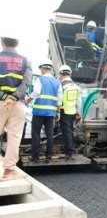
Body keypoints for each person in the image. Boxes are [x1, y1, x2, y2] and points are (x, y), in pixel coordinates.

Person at [0, 34, 32, 181]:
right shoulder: (26, 61)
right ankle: (9, 171)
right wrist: (13, 97)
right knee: (14, 137)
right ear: (17, 43)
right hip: (17, 104)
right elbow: (26, 82)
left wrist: (3, 96)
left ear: (2, 42)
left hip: (1, 102)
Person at [27, 61, 63, 163]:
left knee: (36, 134)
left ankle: (35, 156)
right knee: (49, 134)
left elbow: (37, 92)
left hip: (39, 112)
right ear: (51, 70)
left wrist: (28, 99)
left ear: (42, 69)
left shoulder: (40, 79)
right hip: (51, 112)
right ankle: (48, 156)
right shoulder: (57, 82)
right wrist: (58, 112)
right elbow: (59, 99)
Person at [58, 65, 82, 160]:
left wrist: (57, 112)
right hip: (73, 112)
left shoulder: (61, 86)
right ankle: (69, 149)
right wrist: (78, 112)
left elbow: (59, 100)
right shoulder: (76, 86)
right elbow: (79, 101)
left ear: (60, 74)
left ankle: (69, 152)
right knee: (70, 131)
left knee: (66, 132)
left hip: (64, 112)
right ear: (70, 73)